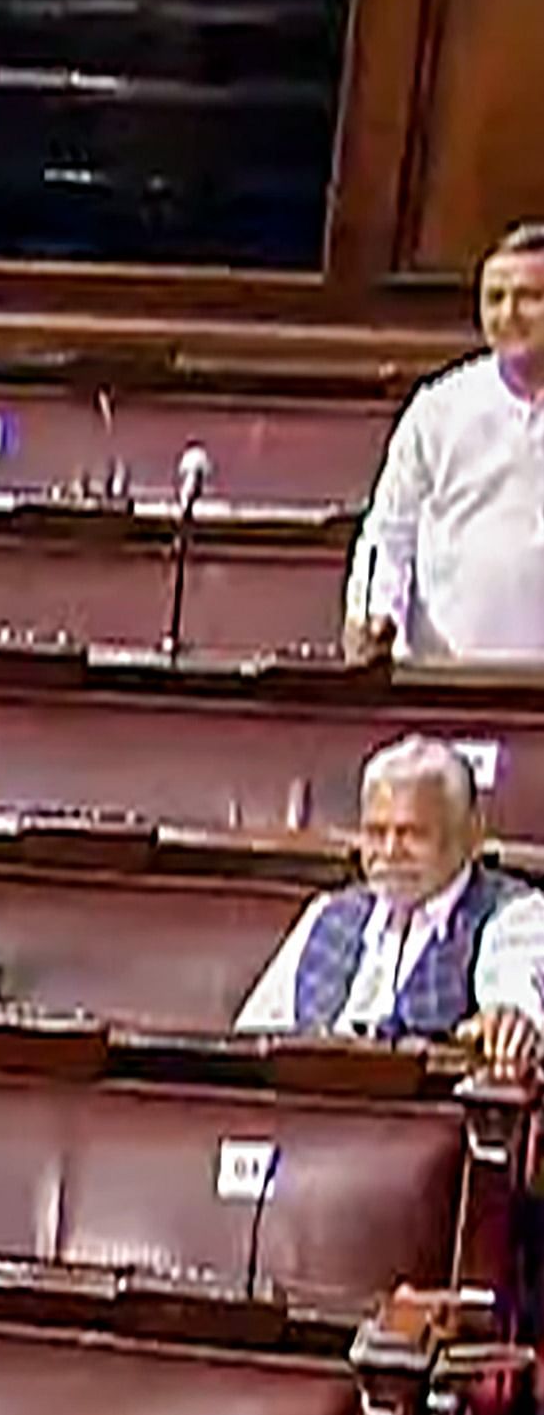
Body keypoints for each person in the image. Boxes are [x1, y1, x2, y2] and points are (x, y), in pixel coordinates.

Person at [236, 735, 544, 1059]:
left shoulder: (514, 915)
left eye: (412, 834)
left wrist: (505, 1022)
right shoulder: (326, 914)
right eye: (376, 832)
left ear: (470, 834)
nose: (389, 852)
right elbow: (251, 1042)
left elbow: (515, 1005)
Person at [347, 223, 544, 664]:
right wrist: (375, 614)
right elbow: (388, 535)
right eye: (494, 298)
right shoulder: (439, 408)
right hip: (448, 680)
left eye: (529, 297)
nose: (508, 313)